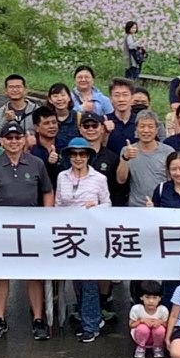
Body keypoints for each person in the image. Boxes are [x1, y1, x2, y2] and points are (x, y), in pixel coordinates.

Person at [0, 122, 54, 340]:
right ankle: (0, 318)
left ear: (24, 139)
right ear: (1, 141)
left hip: (31, 229)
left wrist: (47, 218)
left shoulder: (36, 164)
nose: (13, 141)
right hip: (1, 229)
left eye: (17, 137)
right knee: (1, 275)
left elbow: (47, 192)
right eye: (9, 138)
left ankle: (38, 319)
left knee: (33, 275)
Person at [55, 136, 111, 343]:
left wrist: (94, 208)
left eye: (82, 154)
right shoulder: (62, 177)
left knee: (89, 280)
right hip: (68, 235)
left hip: (91, 235)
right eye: (74, 154)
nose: (78, 158)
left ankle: (91, 325)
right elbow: (59, 203)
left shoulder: (99, 178)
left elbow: (108, 204)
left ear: (88, 156)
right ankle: (85, 317)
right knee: (76, 280)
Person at [119, 110, 172, 207]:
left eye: (150, 127)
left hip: (162, 206)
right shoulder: (127, 150)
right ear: (136, 129)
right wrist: (125, 158)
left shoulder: (168, 152)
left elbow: (172, 181)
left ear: (156, 130)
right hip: (136, 207)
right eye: (142, 126)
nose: (146, 130)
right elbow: (121, 180)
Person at [128, 283, 169, 358]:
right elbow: (131, 324)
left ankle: (157, 346)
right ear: (141, 297)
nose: (151, 301)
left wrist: (160, 322)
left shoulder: (163, 310)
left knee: (160, 329)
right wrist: (141, 321)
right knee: (143, 328)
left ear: (160, 298)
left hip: (156, 337)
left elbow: (167, 325)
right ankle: (141, 346)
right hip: (140, 335)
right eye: (147, 297)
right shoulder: (136, 309)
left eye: (154, 297)